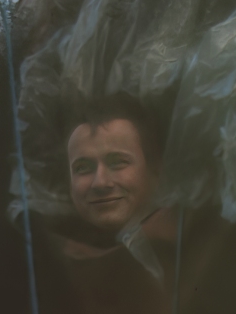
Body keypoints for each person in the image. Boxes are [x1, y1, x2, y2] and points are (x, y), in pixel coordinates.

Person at [60, 94, 176, 257]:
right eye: (83, 168)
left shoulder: (187, 249)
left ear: (155, 170)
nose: (100, 182)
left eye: (118, 162)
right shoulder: (55, 257)